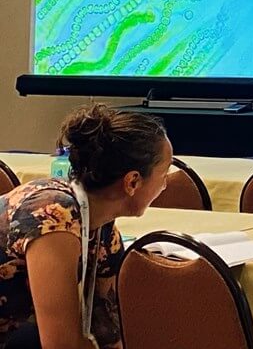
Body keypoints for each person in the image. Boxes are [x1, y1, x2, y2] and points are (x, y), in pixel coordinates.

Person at [0, 104, 172, 349]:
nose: (165, 186)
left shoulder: (103, 228)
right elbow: (61, 345)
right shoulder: (53, 216)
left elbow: (107, 329)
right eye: (164, 175)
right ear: (132, 181)